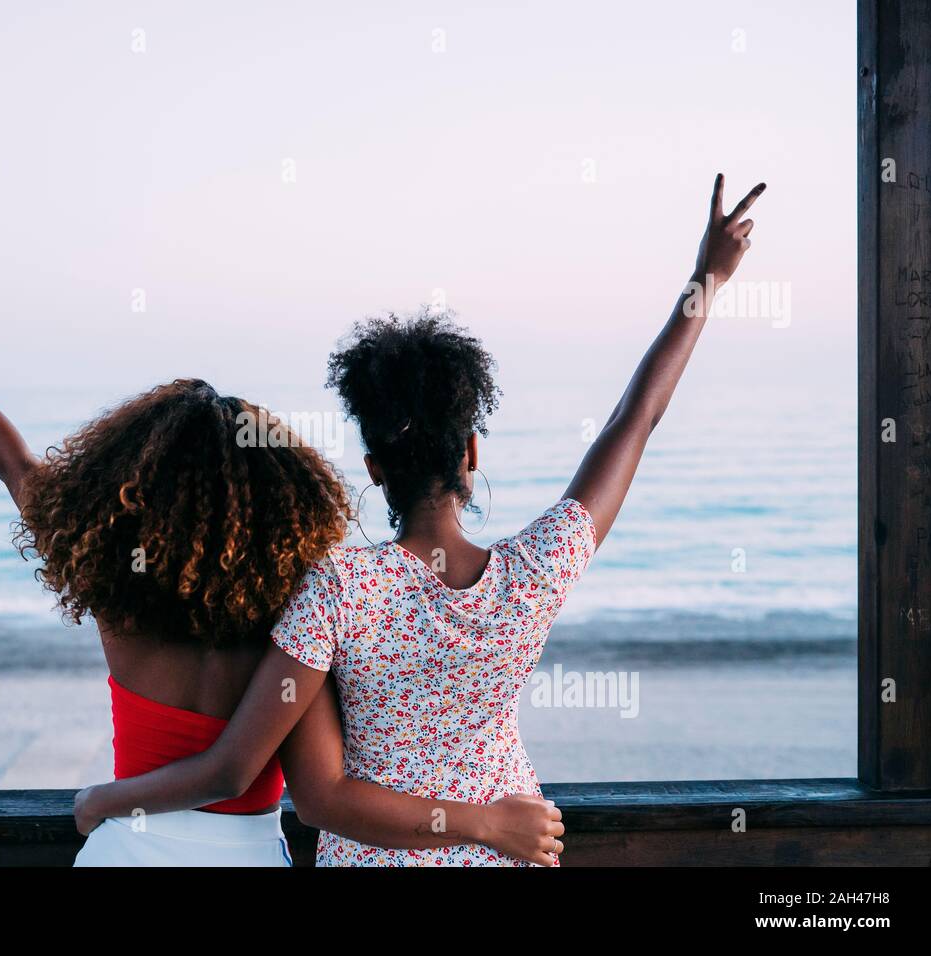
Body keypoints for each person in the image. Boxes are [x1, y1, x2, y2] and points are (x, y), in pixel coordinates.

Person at [73, 174, 766, 865]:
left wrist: (486, 824)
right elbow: (634, 421)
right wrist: (705, 280)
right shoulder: (536, 571)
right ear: (470, 452)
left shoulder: (336, 590)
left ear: (373, 468)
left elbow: (316, 797)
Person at [0, 247, 566, 865]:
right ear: (279, 504)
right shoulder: (301, 603)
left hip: (126, 854)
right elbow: (253, 775)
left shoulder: (112, 590)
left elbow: (10, 457)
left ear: (135, 489)